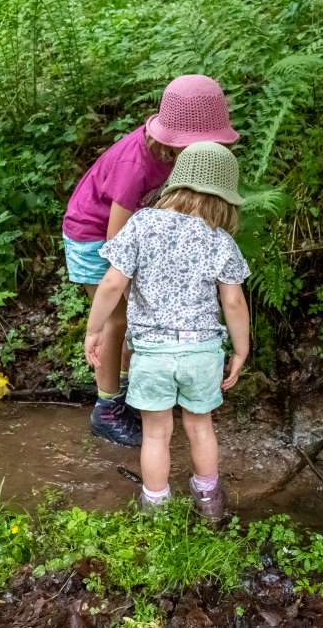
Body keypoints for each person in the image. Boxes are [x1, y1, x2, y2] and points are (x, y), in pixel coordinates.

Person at [63, 76, 239, 447]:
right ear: (178, 142)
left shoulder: (177, 158)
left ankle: (129, 391)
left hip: (133, 237)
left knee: (137, 318)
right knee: (119, 318)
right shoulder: (136, 163)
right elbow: (116, 242)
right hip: (94, 237)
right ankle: (107, 407)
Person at [84, 142, 250, 520]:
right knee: (200, 427)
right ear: (225, 197)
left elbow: (111, 284)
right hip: (202, 352)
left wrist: (94, 330)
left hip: (152, 354)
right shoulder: (219, 240)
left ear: (174, 183)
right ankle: (209, 500)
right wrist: (240, 350)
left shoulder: (141, 224)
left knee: (156, 434)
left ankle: (155, 507)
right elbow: (235, 303)